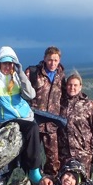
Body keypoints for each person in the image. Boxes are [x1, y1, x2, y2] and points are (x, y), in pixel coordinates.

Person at [0, 46, 45, 185]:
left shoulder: (17, 78)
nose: (7, 66)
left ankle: (34, 170)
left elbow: (31, 95)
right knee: (32, 129)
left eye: (10, 63)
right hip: (8, 120)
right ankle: (32, 171)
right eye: (4, 63)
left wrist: (21, 73)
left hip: (25, 117)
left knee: (32, 134)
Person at [26, 46, 67, 175]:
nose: (52, 63)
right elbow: (21, 93)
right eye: (50, 60)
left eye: (55, 60)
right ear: (44, 59)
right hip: (34, 124)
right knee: (32, 158)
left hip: (52, 125)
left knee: (54, 161)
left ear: (59, 60)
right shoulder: (33, 72)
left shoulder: (61, 76)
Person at [58, 70, 93, 177]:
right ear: (66, 86)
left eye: (75, 85)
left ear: (80, 86)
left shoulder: (88, 104)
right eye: (70, 85)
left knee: (83, 184)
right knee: (65, 183)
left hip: (83, 153)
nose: (72, 88)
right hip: (64, 153)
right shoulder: (60, 103)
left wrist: (91, 150)